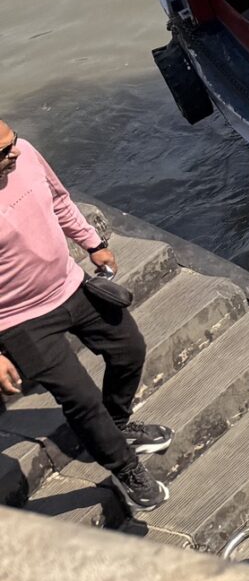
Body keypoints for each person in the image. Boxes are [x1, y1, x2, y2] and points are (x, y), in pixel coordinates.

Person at [0, 118, 170, 514]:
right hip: (18, 320)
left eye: (14, 141)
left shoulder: (26, 158)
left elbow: (59, 200)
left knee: (130, 349)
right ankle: (126, 470)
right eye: (5, 151)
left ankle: (117, 424)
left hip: (70, 285)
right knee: (79, 397)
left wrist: (93, 243)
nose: (16, 152)